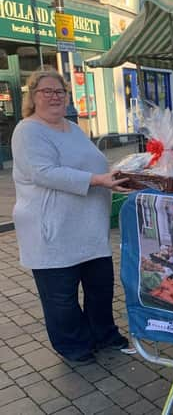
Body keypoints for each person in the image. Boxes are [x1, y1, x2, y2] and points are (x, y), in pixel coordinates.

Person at [11, 68, 129, 365]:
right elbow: (44, 173)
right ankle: (73, 345)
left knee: (100, 288)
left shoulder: (72, 127)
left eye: (60, 91)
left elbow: (95, 164)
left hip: (89, 229)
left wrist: (122, 174)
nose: (54, 97)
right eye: (46, 91)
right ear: (33, 97)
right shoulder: (28, 130)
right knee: (61, 297)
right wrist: (100, 181)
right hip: (53, 230)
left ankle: (103, 334)